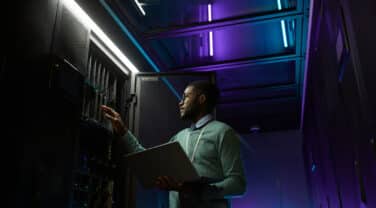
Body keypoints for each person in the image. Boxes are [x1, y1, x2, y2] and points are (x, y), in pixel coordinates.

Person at [101, 80, 246, 208]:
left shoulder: (223, 132)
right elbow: (150, 162)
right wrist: (123, 131)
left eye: (186, 97)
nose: (180, 102)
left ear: (201, 99)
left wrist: (197, 191)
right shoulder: (180, 137)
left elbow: (238, 184)